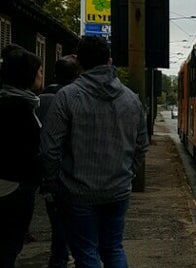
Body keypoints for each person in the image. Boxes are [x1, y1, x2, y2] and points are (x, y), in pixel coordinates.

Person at [40, 36, 149, 268]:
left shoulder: (67, 97)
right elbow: (141, 146)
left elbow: (50, 148)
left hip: (77, 191)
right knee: (113, 248)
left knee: (86, 252)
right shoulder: (132, 100)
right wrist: (127, 174)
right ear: (109, 61)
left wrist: (53, 183)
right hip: (118, 190)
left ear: (78, 62)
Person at [0, 44, 45, 268]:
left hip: (14, 184)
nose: (41, 75)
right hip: (13, 187)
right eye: (39, 71)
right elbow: (24, 151)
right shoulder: (17, 108)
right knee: (9, 246)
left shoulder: (17, 102)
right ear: (27, 75)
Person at [38, 54, 81, 268]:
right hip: (73, 174)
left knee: (58, 226)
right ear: (77, 75)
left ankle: (60, 258)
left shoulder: (39, 100)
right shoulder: (77, 99)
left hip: (47, 174)